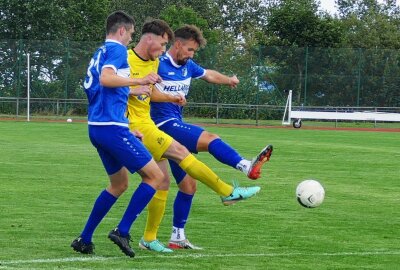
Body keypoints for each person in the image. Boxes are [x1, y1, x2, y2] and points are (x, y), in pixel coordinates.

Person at [126, 19, 262, 253]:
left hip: (173, 124)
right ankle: (245, 167)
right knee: (209, 138)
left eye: (194, 51)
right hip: (161, 124)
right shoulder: (158, 63)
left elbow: (209, 75)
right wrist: (171, 97)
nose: (191, 54)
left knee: (187, 186)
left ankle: (176, 237)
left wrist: (229, 80)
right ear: (176, 44)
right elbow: (147, 93)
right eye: (189, 49)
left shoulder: (188, 66)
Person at [70, 11, 166, 258]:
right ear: (122, 30)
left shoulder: (99, 52)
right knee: (155, 177)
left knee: (119, 184)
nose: (131, 39)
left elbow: (101, 89)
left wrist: (126, 122)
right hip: (110, 128)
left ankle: (84, 239)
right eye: (132, 34)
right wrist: (140, 80)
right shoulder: (118, 50)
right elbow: (106, 79)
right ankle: (122, 230)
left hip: (99, 127)